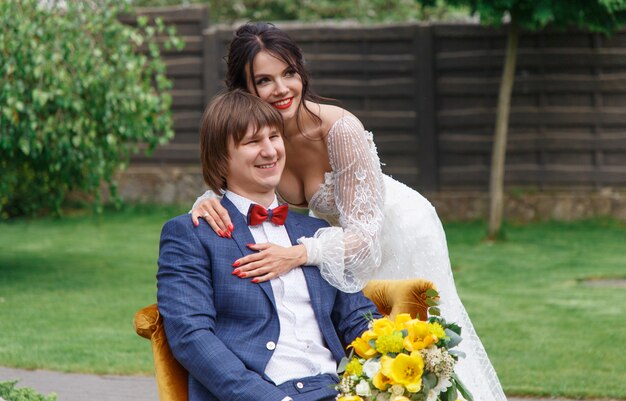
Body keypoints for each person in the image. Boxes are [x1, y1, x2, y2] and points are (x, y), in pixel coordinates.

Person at [190, 23, 508, 400]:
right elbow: (237, 183)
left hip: (390, 231)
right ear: (244, 89)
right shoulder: (263, 142)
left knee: (415, 343)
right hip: (333, 243)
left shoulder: (339, 129)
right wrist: (206, 201)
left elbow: (365, 241)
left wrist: (299, 254)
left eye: (289, 73)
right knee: (359, 346)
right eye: (264, 80)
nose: (281, 89)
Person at [157, 89, 380, 401]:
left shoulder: (317, 232)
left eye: (274, 137)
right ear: (221, 159)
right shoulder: (191, 234)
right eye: (252, 142)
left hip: (339, 390)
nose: (270, 151)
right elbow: (191, 337)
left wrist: (402, 359)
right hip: (264, 392)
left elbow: (358, 319)